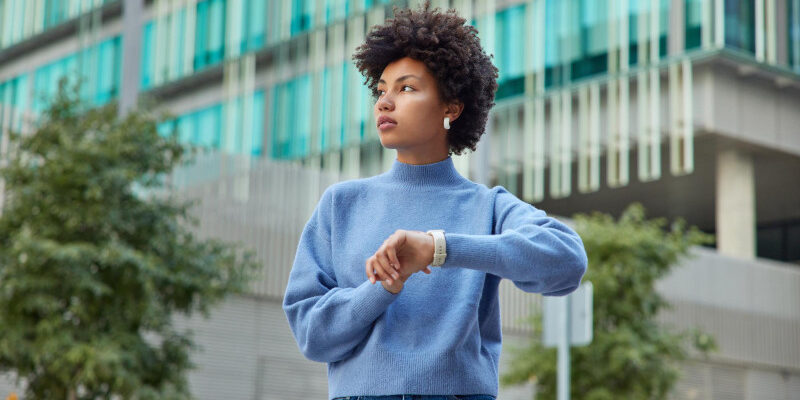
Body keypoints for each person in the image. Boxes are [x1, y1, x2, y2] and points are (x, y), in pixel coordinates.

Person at [282, 2, 588, 399]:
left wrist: (439, 248)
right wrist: (384, 285)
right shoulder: (342, 204)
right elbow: (311, 335)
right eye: (381, 90)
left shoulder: (489, 206)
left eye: (406, 88)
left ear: (452, 107)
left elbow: (566, 261)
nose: (385, 102)